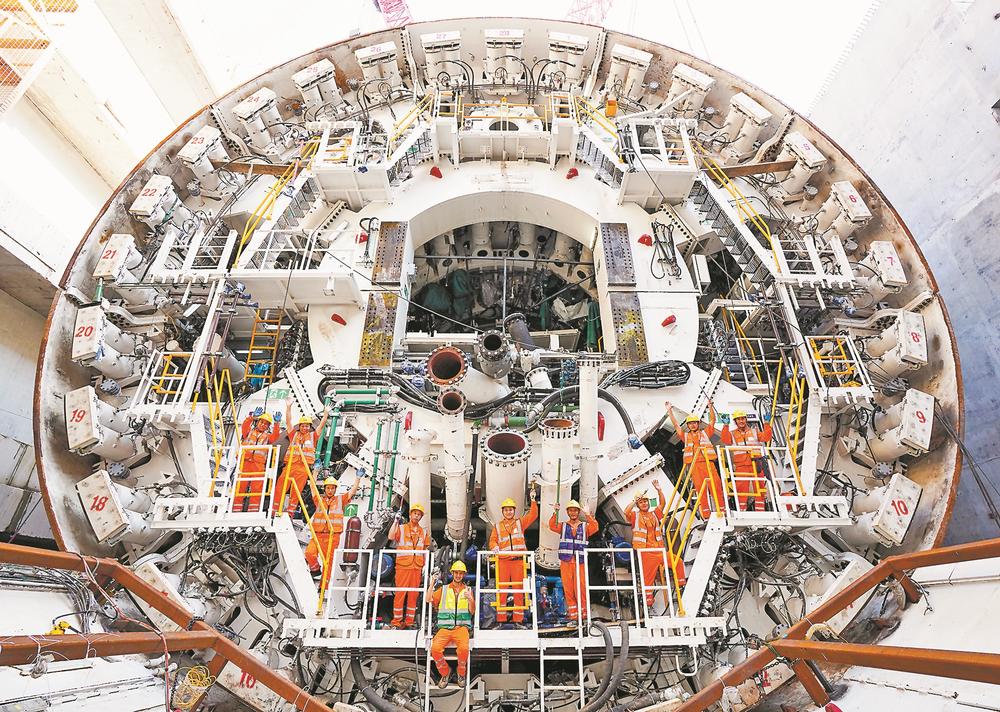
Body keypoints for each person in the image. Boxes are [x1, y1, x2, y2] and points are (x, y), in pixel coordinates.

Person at [665, 400, 723, 518]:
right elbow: (676, 425)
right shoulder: (685, 436)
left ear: (698, 424)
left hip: (708, 464)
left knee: (716, 486)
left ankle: (722, 511)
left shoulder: (705, 433)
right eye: (690, 423)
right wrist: (669, 411)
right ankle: (706, 515)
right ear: (688, 425)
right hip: (695, 467)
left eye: (694, 423)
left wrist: (710, 407)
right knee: (701, 490)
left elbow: (712, 421)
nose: (692, 425)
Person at [488, 491, 538, 626]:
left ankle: (518, 621)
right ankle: (501, 621)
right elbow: (492, 540)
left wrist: (533, 500)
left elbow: (533, 515)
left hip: (518, 562)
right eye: (506, 510)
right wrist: (494, 547)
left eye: (511, 510)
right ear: (502, 511)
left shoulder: (520, 523)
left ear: (514, 511)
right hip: (503, 562)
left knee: (518, 591)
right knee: (501, 591)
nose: (509, 512)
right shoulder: (497, 526)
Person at [623, 481, 675, 608]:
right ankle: (648, 603)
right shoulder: (635, 516)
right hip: (645, 552)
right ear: (638, 505)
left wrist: (659, 490)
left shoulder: (654, 514)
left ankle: (681, 585)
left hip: (659, 551)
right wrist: (635, 501)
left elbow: (662, 503)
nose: (644, 503)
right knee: (648, 579)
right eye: (641, 502)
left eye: (645, 501)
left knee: (676, 561)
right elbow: (626, 512)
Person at [275, 397, 330, 516]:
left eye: (307, 426)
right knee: (280, 488)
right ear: (299, 426)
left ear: (310, 427)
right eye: (303, 426)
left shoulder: (313, 436)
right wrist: (288, 407)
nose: (305, 428)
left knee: (296, 492)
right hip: (290, 466)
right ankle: (274, 511)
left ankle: (290, 513)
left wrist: (326, 414)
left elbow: (321, 426)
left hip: (303, 469)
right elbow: (288, 422)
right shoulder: (293, 435)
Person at [547, 499, 598, 625]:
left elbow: (595, 527)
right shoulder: (563, 526)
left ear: (578, 512)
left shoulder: (585, 526)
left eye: (575, 510)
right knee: (568, 589)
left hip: (580, 561)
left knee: (581, 588)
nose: (573, 513)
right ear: (567, 512)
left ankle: (584, 615)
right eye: (571, 510)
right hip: (566, 561)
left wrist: (588, 514)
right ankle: (573, 616)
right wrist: (555, 512)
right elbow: (552, 525)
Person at [304, 475, 364, 577]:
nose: (330, 490)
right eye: (328, 488)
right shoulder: (319, 500)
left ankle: (325, 585)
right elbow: (313, 487)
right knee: (309, 553)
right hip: (318, 535)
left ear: (335, 489)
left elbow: (352, 492)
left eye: (332, 488)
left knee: (328, 564)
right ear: (324, 489)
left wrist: (358, 478)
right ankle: (315, 569)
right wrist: (315, 472)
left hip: (332, 537)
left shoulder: (340, 500)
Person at [429, 561, 474, 688]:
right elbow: (428, 599)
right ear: (452, 573)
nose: (458, 575)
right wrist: (432, 582)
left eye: (461, 573)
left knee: (464, 649)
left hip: (461, 628)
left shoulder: (468, 590)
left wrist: (470, 599)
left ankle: (461, 674)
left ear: (463, 575)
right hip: (445, 629)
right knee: (435, 650)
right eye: (456, 573)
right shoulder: (443, 590)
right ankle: (445, 672)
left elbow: (472, 611)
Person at [720, 409, 774, 512]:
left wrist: (767, 424)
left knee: (760, 488)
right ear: (735, 421)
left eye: (743, 419)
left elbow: (766, 437)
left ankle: (760, 512)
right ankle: (742, 512)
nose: (741, 421)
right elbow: (725, 439)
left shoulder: (754, 431)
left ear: (746, 419)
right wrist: (725, 426)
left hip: (757, 464)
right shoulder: (732, 434)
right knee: (741, 489)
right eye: (738, 419)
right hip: (742, 465)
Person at [388, 503, 431, 629]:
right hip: (403, 566)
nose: (417, 516)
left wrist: (425, 566)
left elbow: (425, 549)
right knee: (400, 594)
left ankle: (409, 622)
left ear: (421, 517)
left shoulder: (423, 532)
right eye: (415, 513)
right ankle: (396, 622)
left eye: (419, 514)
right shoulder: (401, 528)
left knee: (413, 595)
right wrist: (395, 521)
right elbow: (391, 536)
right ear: (410, 514)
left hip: (416, 568)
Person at [235, 408, 281, 512]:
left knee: (257, 489)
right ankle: (235, 509)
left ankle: (253, 511)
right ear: (257, 422)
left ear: (268, 427)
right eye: (261, 422)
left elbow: (275, 436)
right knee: (240, 487)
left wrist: (277, 424)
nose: (263, 425)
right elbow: (245, 425)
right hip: (245, 463)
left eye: (266, 424)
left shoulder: (268, 437)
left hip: (258, 465)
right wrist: (252, 417)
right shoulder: (248, 432)